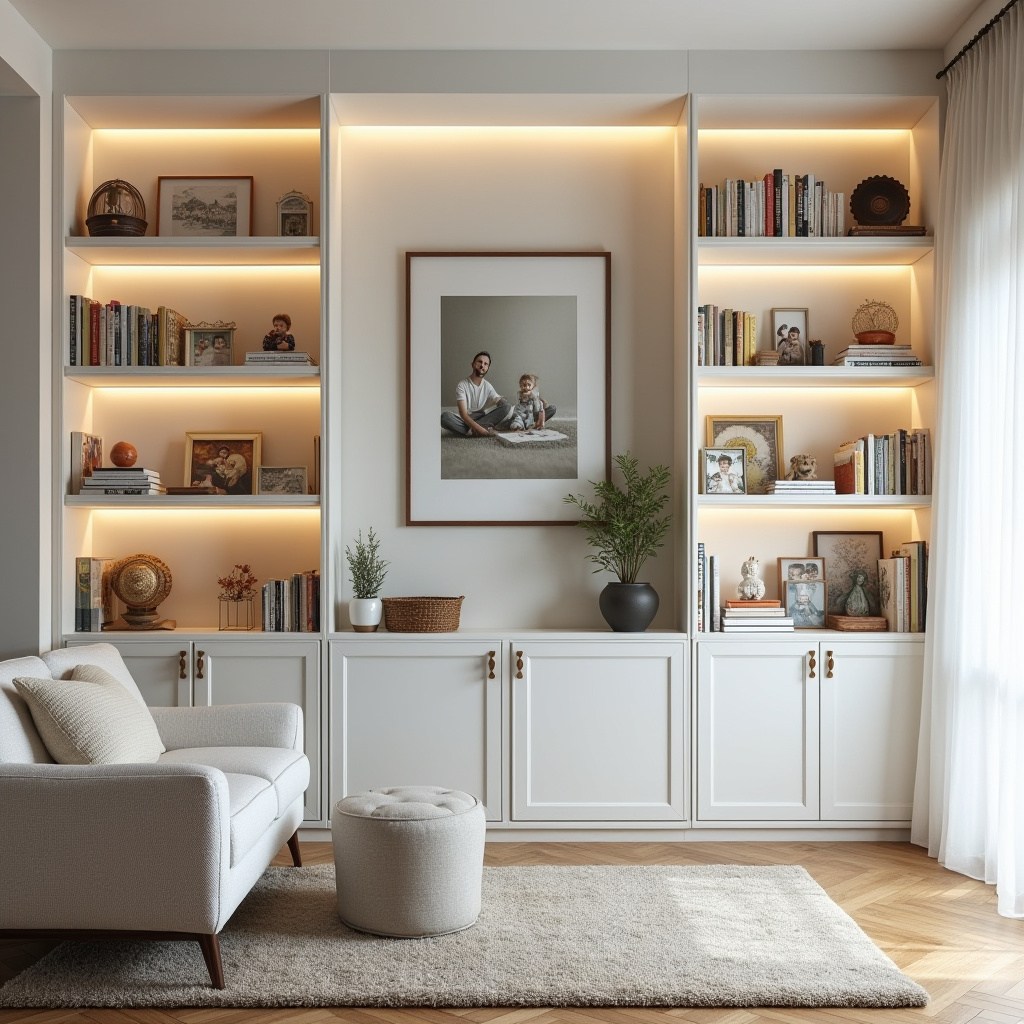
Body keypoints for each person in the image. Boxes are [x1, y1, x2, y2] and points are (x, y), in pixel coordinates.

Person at [439, 351, 513, 437]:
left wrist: (503, 401)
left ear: (488, 368)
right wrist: (483, 431)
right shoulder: (462, 385)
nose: (482, 365)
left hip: (483, 419)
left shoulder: (487, 386)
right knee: (445, 417)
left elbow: (498, 399)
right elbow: (463, 415)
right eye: (479, 362)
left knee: (507, 406)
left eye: (486, 364)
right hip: (466, 421)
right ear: (472, 364)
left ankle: (470, 432)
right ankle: (478, 430)